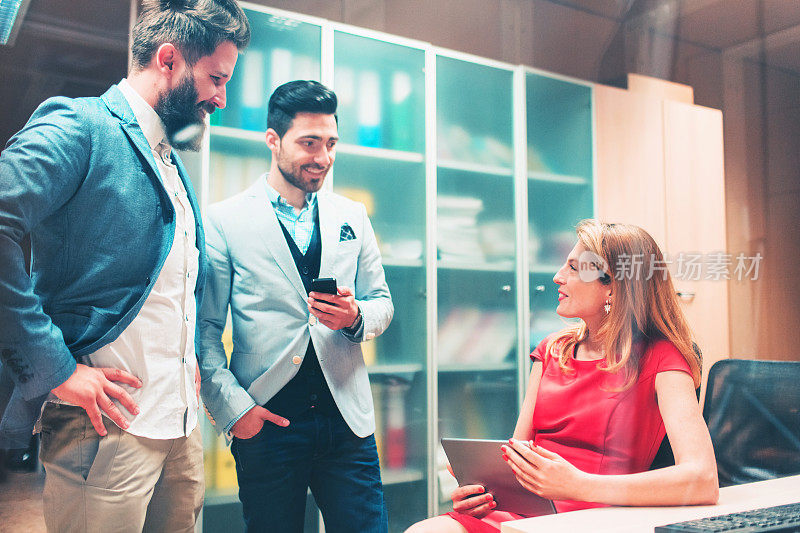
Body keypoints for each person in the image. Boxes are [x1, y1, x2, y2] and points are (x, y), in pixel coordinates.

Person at [0, 0, 250, 530]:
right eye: (216, 79)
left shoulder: (171, 156)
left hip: (178, 427)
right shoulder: (80, 125)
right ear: (168, 60)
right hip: (104, 427)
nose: (221, 99)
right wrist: (56, 369)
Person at [407, 220, 719, 533]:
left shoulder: (663, 357)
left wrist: (579, 485)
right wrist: (485, 494)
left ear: (611, 285)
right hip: (523, 513)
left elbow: (703, 479)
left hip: (597, 517)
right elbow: (517, 456)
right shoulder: (552, 349)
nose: (558, 277)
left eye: (573, 267)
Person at [197, 79, 394, 533]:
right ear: (273, 141)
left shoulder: (352, 216)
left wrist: (355, 317)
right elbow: (204, 331)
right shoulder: (224, 221)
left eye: (330, 143)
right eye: (308, 143)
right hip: (266, 424)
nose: (322, 157)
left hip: (349, 423)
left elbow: (382, 304)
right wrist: (235, 412)